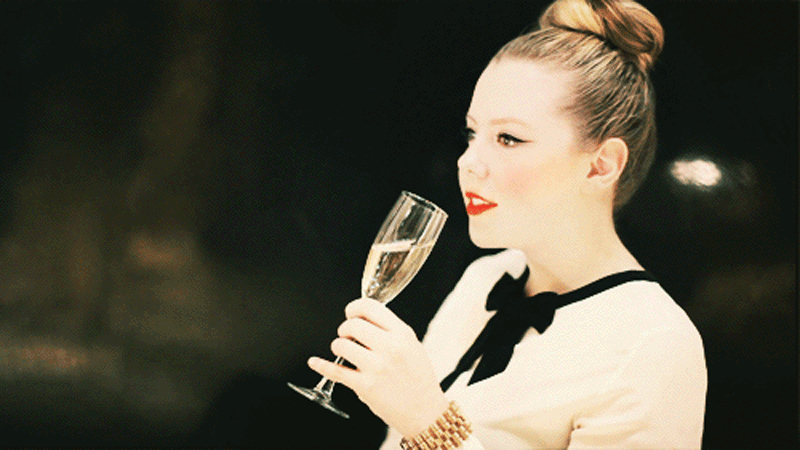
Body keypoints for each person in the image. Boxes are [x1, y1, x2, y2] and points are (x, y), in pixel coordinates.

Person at [308, 0, 708, 448]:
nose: (467, 162)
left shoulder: (654, 344)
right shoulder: (485, 277)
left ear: (601, 165)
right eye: (472, 133)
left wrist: (427, 420)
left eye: (508, 138)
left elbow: (421, 427)